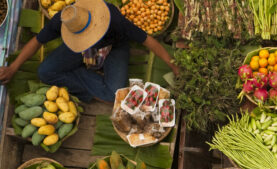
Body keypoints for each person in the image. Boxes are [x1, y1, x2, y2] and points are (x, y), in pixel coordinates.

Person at [0, 0, 178, 102]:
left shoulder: (113, 20)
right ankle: (88, 81)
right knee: (44, 72)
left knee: (113, 94)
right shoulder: (64, 19)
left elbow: (149, 41)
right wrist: (13, 68)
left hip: (115, 46)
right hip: (78, 48)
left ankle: (90, 78)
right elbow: (36, 42)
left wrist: (173, 65)